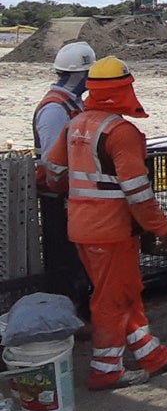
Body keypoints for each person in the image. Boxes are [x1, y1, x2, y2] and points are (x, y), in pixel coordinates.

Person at [41, 57, 167, 390]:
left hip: (81, 228)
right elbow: (138, 191)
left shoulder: (75, 124)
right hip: (111, 233)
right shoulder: (121, 132)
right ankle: (106, 370)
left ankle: (153, 356)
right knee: (112, 300)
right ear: (125, 89)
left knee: (125, 292)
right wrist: (159, 228)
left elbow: (52, 173)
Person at [33, 41, 96, 315]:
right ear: (79, 75)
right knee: (66, 260)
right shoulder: (55, 109)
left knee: (78, 260)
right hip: (58, 198)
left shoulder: (72, 104)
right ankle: (68, 314)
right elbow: (52, 162)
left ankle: (78, 309)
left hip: (72, 196)